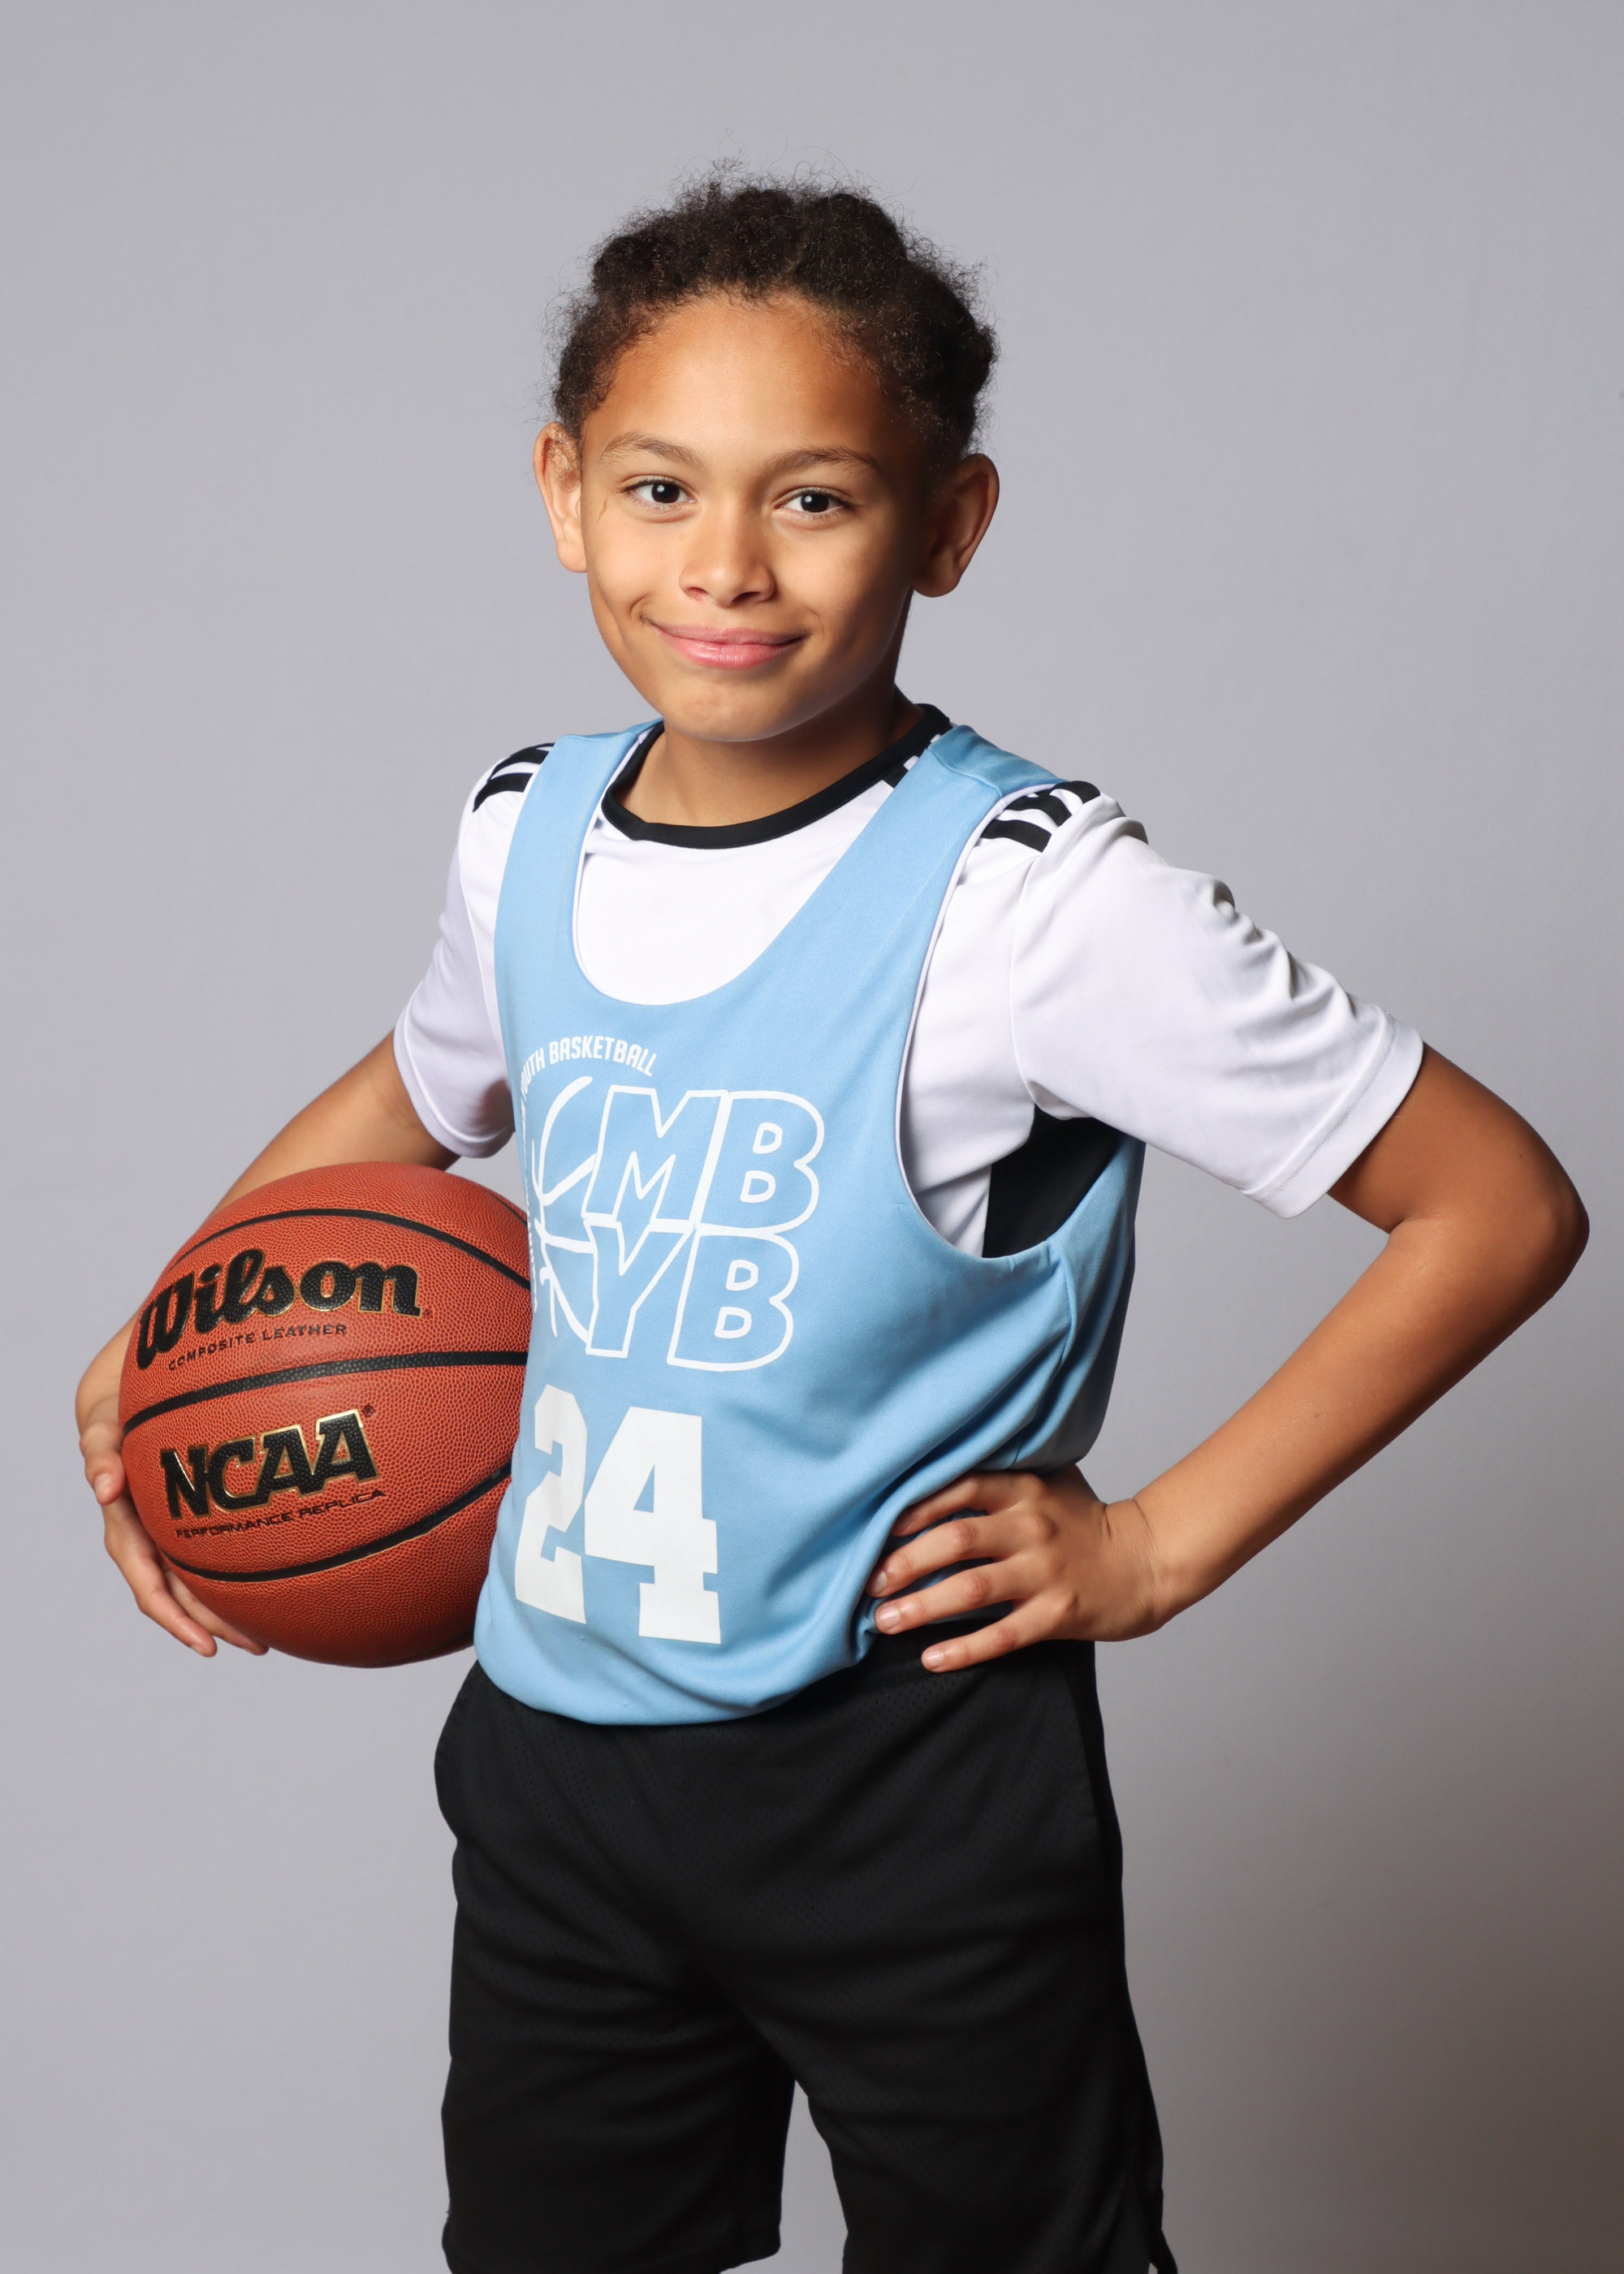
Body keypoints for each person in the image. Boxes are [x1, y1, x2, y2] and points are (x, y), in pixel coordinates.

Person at [76, 174, 1587, 2274]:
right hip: (559, 1772)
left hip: (907, 1775)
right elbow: (417, 1099)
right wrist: (178, 1333)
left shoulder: (1030, 899)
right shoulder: (525, 836)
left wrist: (1158, 1547)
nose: (724, 564)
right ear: (562, 492)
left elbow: (1494, 1208)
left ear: (949, 526)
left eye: (813, 499)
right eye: (660, 488)